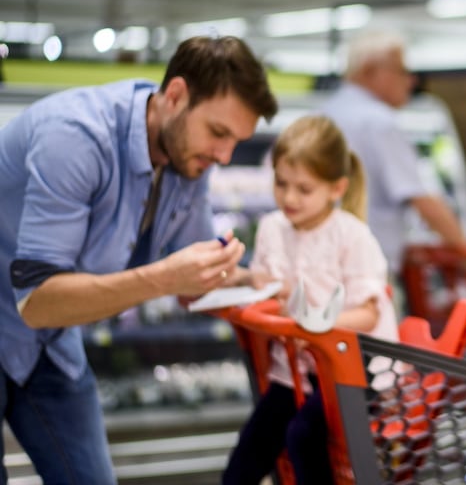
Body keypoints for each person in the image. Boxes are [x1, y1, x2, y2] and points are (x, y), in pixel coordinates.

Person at [0, 35, 278, 483]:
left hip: (48, 343)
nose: (224, 156)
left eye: (236, 141)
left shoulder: (187, 157)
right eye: (218, 133)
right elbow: (37, 301)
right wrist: (165, 278)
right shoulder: (75, 138)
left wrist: (260, 280)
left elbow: (192, 280)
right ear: (176, 96)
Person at [221, 115, 398, 485]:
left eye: (303, 189)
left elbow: (368, 313)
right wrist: (240, 278)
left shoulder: (352, 235)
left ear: (336, 188)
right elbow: (267, 285)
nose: (289, 198)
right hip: (293, 369)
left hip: (353, 371)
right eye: (281, 183)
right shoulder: (272, 228)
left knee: (303, 436)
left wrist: (313, 326)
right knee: (250, 451)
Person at [319, 29, 466, 300]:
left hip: (321, 265)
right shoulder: (379, 122)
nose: (411, 80)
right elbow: (421, 199)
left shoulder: (325, 112)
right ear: (370, 71)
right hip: (365, 273)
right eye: (401, 70)